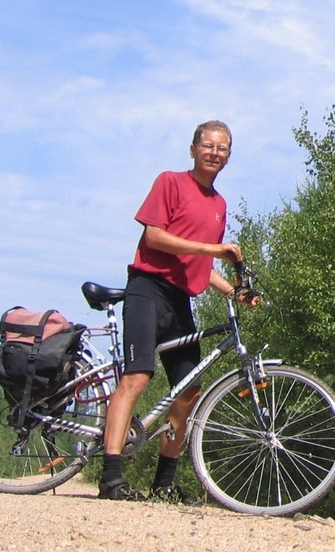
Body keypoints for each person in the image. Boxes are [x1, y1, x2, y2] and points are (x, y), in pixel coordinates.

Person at [98, 120, 247, 503]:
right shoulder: (170, 182)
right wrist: (215, 250)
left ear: (229, 156)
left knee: (189, 390)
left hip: (180, 298)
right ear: (193, 148)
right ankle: (111, 477)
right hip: (147, 289)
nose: (215, 152)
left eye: (223, 147)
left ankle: (164, 482)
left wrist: (234, 291)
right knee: (138, 377)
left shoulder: (219, 205)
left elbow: (198, 263)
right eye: (209, 145)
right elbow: (155, 237)